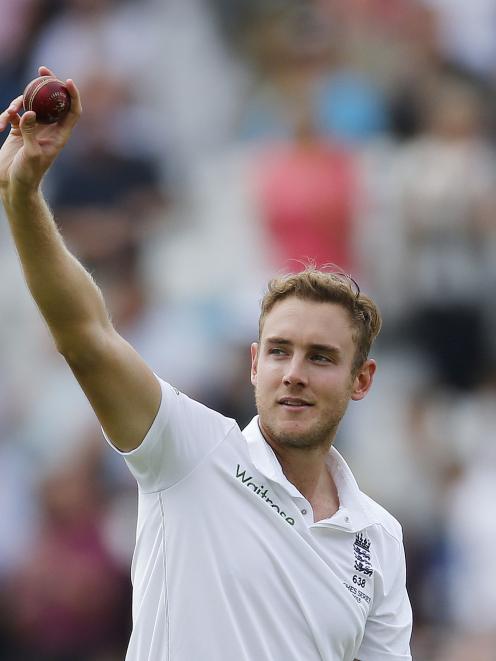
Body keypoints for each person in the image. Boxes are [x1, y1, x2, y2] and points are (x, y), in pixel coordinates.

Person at [0, 68, 412, 661]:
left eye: (321, 357)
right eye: (278, 350)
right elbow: (86, 337)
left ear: (361, 380)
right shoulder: (191, 452)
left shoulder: (379, 539)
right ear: (253, 364)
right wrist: (22, 196)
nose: (293, 371)